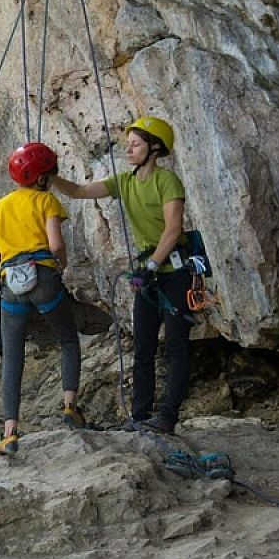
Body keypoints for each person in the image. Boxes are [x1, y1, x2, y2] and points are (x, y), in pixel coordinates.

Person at [51, 116, 190, 434]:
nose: (129, 150)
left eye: (136, 144)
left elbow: (173, 229)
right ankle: (141, 417)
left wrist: (152, 266)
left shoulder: (167, 182)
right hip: (149, 274)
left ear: (154, 149)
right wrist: (50, 177)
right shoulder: (124, 182)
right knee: (143, 346)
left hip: (174, 273)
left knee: (176, 347)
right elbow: (79, 191)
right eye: (128, 144)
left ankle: (167, 417)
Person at [0, 143, 84, 457]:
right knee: (67, 338)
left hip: (11, 282)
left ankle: (9, 432)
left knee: (13, 356)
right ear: (42, 177)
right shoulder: (46, 200)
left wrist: (8, 274)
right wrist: (60, 267)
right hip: (43, 277)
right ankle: (70, 408)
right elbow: (56, 245)